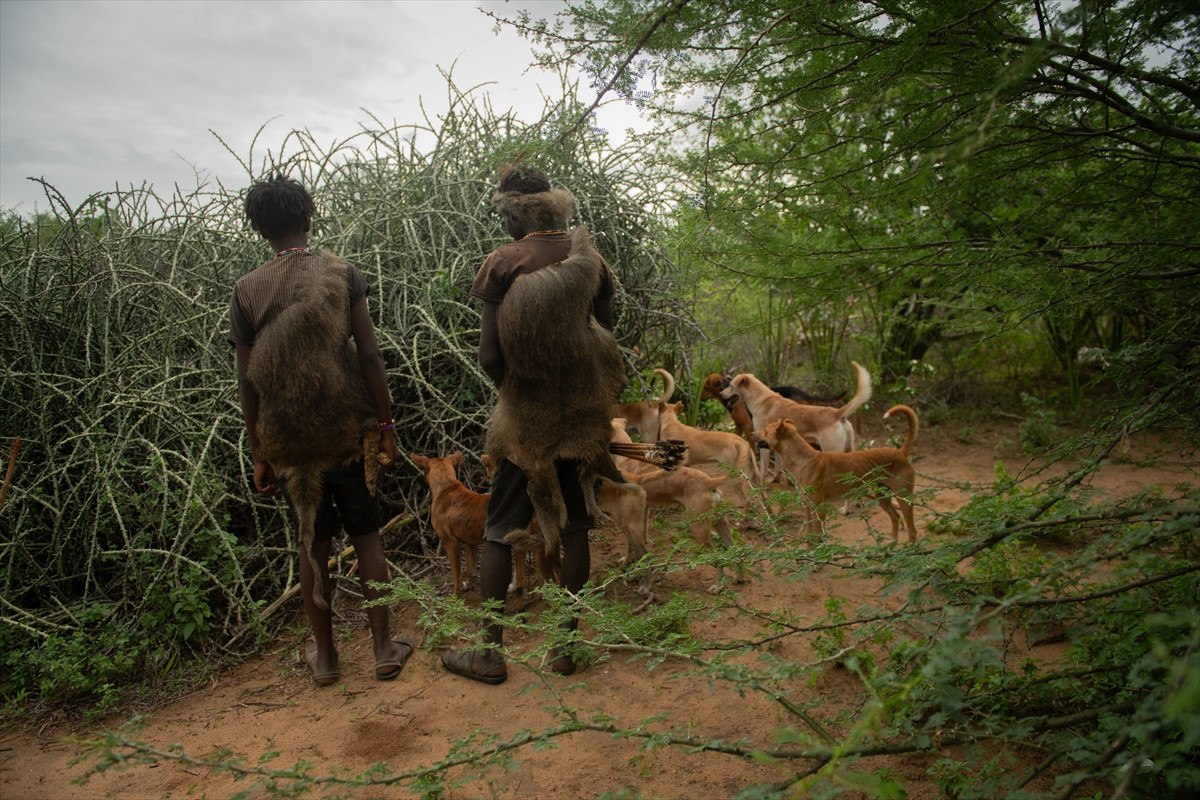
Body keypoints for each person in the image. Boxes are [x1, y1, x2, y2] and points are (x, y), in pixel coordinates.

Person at [229, 174, 413, 685]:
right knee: (367, 533)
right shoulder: (341, 273)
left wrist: (259, 449)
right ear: (309, 216)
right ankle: (382, 649)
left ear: (259, 229)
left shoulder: (245, 291)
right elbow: (371, 356)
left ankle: (327, 658)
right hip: (343, 429)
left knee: (311, 540)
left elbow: (248, 382)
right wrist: (386, 424)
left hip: (288, 438)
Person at [440, 165, 616, 685]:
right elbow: (605, 332)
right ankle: (564, 645)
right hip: (582, 414)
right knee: (577, 522)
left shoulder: (503, 262)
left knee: (499, 529)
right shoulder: (591, 260)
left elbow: (490, 354)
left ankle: (490, 653)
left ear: (512, 214)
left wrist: (515, 393)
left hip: (525, 417)